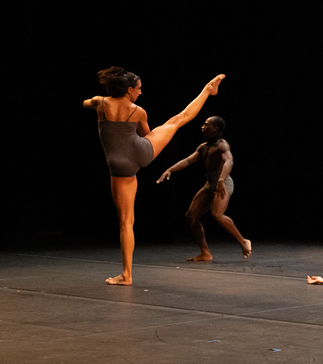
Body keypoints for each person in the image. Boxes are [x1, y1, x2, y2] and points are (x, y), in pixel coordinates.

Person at [84, 67, 225, 285]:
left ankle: (126, 275)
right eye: (138, 89)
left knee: (125, 222)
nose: (140, 93)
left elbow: (87, 103)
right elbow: (146, 134)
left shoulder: (99, 103)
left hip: (118, 166)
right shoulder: (138, 111)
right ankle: (207, 90)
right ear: (129, 89)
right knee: (177, 120)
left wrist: (93, 103)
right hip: (141, 152)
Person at [157, 116, 251, 262]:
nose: (203, 127)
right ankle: (205, 253)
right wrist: (170, 170)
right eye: (203, 124)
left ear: (216, 129)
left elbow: (229, 162)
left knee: (217, 215)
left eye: (207, 125)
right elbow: (188, 160)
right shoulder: (203, 147)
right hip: (210, 184)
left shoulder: (222, 146)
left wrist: (221, 179)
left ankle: (243, 241)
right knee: (191, 216)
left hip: (223, 183)